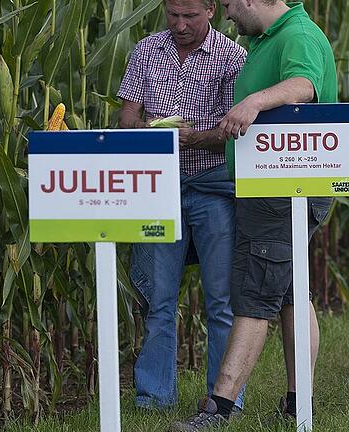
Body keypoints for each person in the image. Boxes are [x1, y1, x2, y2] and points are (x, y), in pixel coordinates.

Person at [169, 1, 337, 430]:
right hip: (280, 185)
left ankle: (218, 409)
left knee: (255, 290)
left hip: (284, 189)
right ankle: (300, 402)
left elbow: (303, 84)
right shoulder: (266, 39)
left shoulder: (295, 35)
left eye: (227, 4)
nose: (226, 14)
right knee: (290, 294)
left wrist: (254, 102)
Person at [117, 0, 247, 411]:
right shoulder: (146, 50)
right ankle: (154, 397)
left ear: (211, 9)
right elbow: (127, 116)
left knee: (221, 299)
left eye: (189, 15)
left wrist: (196, 138)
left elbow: (233, 127)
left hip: (213, 186)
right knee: (158, 299)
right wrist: (152, 131)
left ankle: (224, 397)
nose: (180, 24)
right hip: (158, 187)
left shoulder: (232, 57)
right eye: (172, 14)